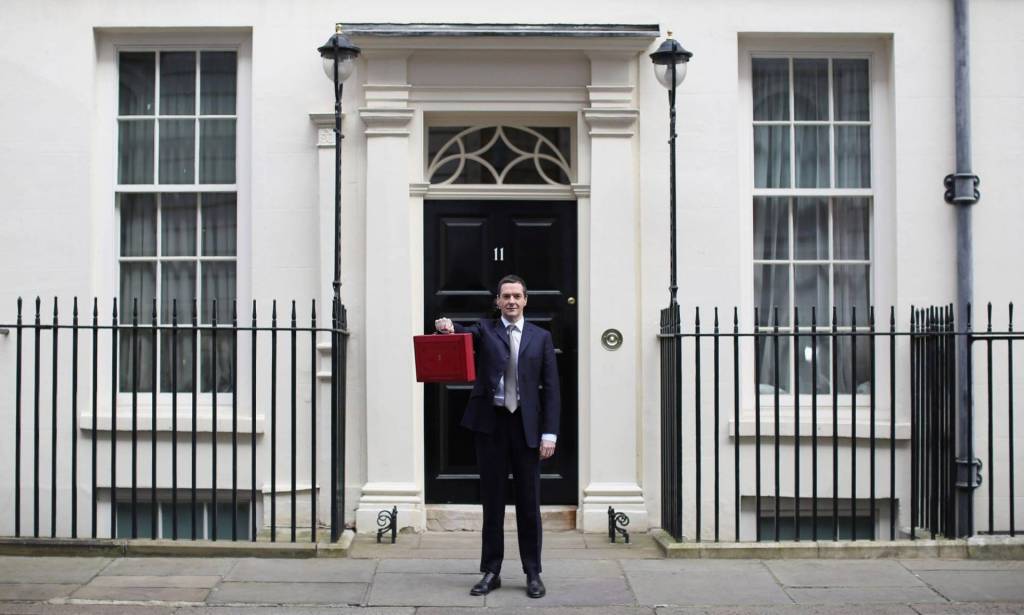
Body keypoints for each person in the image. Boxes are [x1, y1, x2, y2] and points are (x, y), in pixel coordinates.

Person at [434, 274, 560, 599]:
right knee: (492, 502)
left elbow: (552, 390)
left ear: (526, 300)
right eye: (506, 296)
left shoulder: (541, 337)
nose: (512, 301)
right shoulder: (485, 329)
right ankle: (491, 570)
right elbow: (461, 334)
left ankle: (533, 572)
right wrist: (447, 326)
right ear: (498, 301)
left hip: (527, 428)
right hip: (491, 425)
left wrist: (550, 433)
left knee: (529, 504)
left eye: (517, 296)